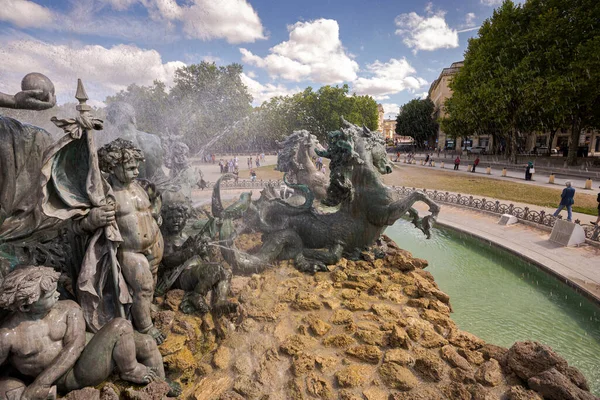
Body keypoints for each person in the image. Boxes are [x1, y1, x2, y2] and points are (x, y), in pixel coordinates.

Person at [0, 266, 179, 399]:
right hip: (73, 374)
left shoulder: (68, 309)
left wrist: (40, 384)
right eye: (49, 295)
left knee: (147, 342)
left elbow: (76, 347)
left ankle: (160, 385)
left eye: (56, 291)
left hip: (86, 351)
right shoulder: (9, 335)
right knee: (121, 327)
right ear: (25, 305)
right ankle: (130, 369)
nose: (57, 296)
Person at [98, 139, 165, 343]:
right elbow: (81, 223)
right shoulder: (105, 193)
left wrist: (155, 213)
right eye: (130, 168)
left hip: (153, 245)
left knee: (151, 283)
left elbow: (156, 197)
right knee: (143, 288)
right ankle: (145, 328)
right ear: (113, 166)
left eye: (137, 167)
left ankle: (143, 310)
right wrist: (96, 218)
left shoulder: (138, 186)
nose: (136, 172)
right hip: (130, 251)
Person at [158, 205, 238, 315]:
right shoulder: (165, 240)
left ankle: (221, 301)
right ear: (164, 220)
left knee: (224, 272)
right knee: (216, 269)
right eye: (171, 218)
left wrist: (203, 250)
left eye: (179, 217)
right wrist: (191, 250)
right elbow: (167, 261)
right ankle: (195, 296)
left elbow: (203, 256)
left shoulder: (186, 236)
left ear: (185, 219)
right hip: (178, 276)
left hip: (193, 269)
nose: (175, 221)